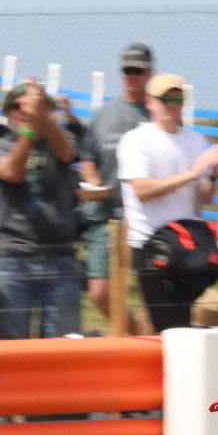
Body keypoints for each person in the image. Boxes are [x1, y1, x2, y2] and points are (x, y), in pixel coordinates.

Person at [117, 73, 218, 332]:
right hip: (152, 244)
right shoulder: (137, 139)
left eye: (178, 99)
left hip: (188, 244)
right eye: (165, 99)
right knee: (165, 325)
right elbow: (142, 190)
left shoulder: (195, 140)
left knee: (182, 324)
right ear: (149, 101)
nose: (172, 104)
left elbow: (205, 198)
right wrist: (191, 174)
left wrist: (213, 172)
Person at [0, 81, 85, 339]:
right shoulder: (0, 144)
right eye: (18, 106)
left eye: (34, 106)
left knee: (63, 350)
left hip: (61, 258)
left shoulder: (63, 139)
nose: (25, 111)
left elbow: (66, 153)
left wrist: (41, 118)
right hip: (13, 257)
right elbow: (12, 173)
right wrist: (29, 132)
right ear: (9, 112)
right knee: (8, 350)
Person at [81, 43, 154, 321]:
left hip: (147, 216)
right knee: (99, 292)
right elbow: (88, 157)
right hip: (106, 215)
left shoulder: (157, 114)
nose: (131, 75)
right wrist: (93, 182)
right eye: (127, 70)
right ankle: (132, 336)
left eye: (137, 70)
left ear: (149, 73)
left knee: (149, 295)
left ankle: (147, 339)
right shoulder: (104, 113)